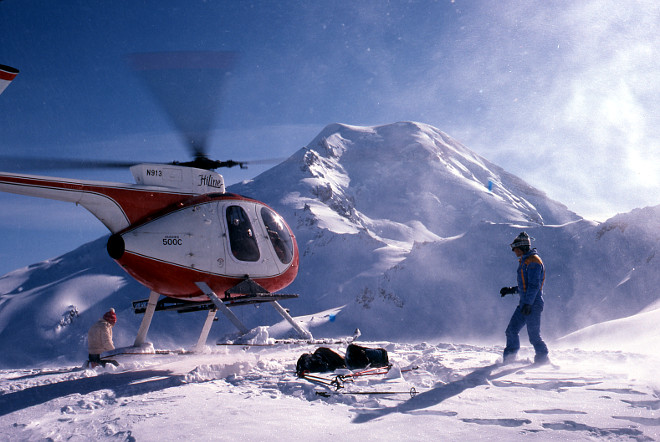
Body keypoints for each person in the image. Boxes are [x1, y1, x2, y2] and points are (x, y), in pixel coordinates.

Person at [499, 232, 550, 365]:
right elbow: (526, 286)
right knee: (511, 330)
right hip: (525, 303)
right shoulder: (526, 260)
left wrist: (528, 303)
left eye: (515, 247)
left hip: (532, 304)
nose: (513, 250)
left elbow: (534, 286)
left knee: (534, 336)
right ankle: (509, 359)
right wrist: (511, 290)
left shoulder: (533, 262)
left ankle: (543, 359)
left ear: (522, 247)